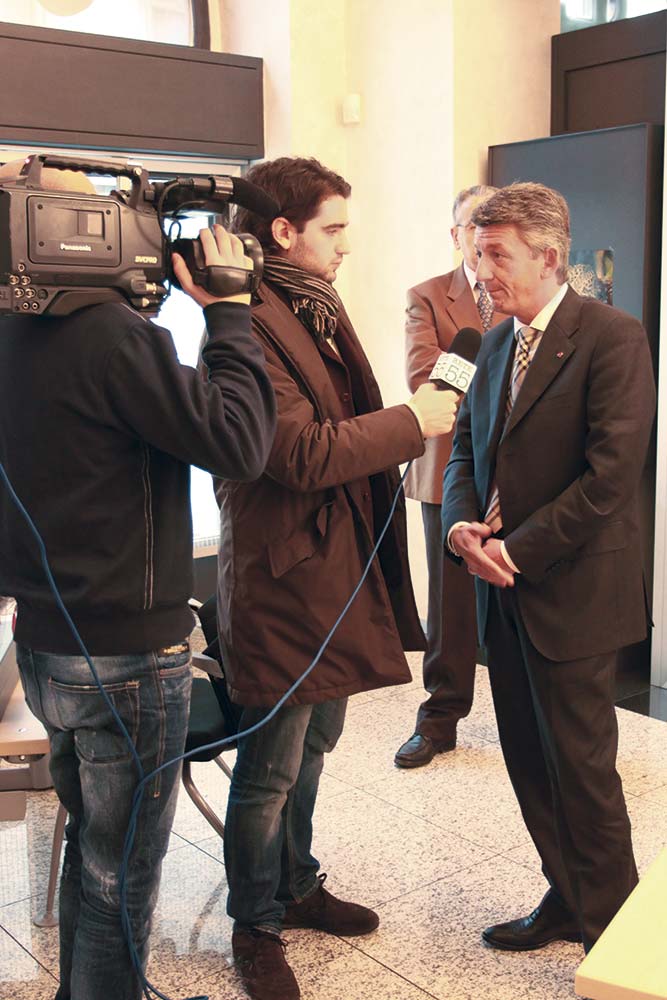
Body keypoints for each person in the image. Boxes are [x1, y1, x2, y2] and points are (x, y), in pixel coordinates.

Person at [0, 160, 276, 1000]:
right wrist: (228, 312)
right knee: (120, 872)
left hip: (44, 645)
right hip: (124, 656)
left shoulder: (17, 329)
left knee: (93, 851)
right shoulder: (114, 339)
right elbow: (239, 442)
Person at [215, 156, 458, 1000]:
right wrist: (410, 421)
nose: (346, 245)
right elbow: (297, 453)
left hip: (333, 564)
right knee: (270, 767)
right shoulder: (245, 321)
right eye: (334, 229)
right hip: (283, 575)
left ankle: (295, 882)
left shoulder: (308, 302)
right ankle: (254, 924)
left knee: (315, 743)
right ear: (283, 231)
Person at [442, 182, 655, 956]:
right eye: (476, 254)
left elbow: (610, 475)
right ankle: (566, 898)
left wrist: (516, 549)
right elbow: (464, 450)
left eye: (496, 255)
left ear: (548, 256)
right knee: (529, 763)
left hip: (574, 592)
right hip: (502, 594)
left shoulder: (611, 337)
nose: (481, 271)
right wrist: (460, 525)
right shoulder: (491, 344)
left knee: (581, 771)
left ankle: (616, 935)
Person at [395, 184, 508, 769]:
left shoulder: (521, 289)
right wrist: (503, 387)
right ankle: (439, 720)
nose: (483, 238)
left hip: (518, 471)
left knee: (518, 593)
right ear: (456, 233)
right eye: (473, 225)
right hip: (449, 470)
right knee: (451, 603)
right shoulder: (428, 296)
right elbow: (426, 376)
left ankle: (526, 717)